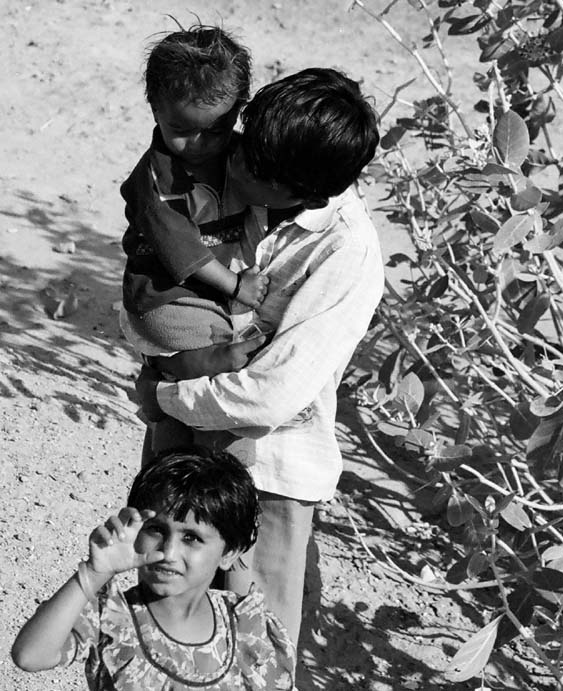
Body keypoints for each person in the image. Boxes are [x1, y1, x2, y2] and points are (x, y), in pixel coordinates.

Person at [134, 67, 385, 648]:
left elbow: (272, 394)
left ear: (305, 194)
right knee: (162, 631)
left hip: (267, 471)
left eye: (255, 169)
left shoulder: (347, 251)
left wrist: (165, 395)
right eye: (245, 145)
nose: (237, 163)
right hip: (187, 439)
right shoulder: (239, 167)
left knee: (255, 649)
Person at [11, 448, 296, 690]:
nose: (168, 552)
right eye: (157, 530)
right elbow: (30, 656)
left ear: (229, 553)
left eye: (191, 538)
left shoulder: (250, 629)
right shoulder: (109, 616)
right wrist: (94, 573)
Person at [120, 22, 268, 451]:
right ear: (154, 110)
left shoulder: (235, 154)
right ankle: (184, 438)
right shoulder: (155, 183)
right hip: (168, 299)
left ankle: (165, 412)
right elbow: (184, 252)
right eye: (182, 130)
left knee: (181, 393)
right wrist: (239, 287)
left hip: (199, 298)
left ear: (237, 112)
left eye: (215, 130)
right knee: (213, 380)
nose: (200, 144)